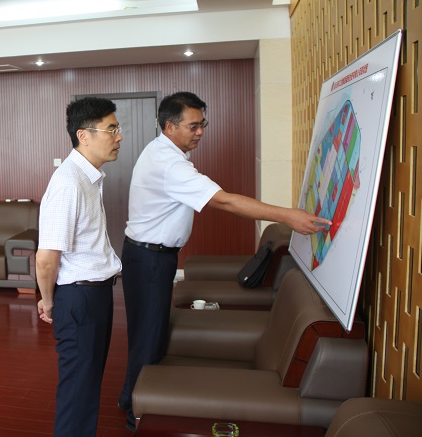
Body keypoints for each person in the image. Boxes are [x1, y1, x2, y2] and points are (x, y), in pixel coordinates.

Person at [118, 91, 332, 431]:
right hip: (149, 260)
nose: (200, 132)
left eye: (203, 124)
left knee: (147, 331)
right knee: (148, 335)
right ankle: (136, 414)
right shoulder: (169, 164)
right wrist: (287, 216)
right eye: (193, 126)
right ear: (169, 126)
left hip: (148, 256)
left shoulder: (164, 151)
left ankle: (129, 396)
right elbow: (225, 202)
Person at [37, 97, 123, 436]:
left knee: (87, 385)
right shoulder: (68, 182)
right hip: (79, 298)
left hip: (95, 294)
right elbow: (47, 257)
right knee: (78, 390)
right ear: (83, 135)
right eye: (111, 129)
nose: (118, 137)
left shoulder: (89, 177)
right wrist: (48, 300)